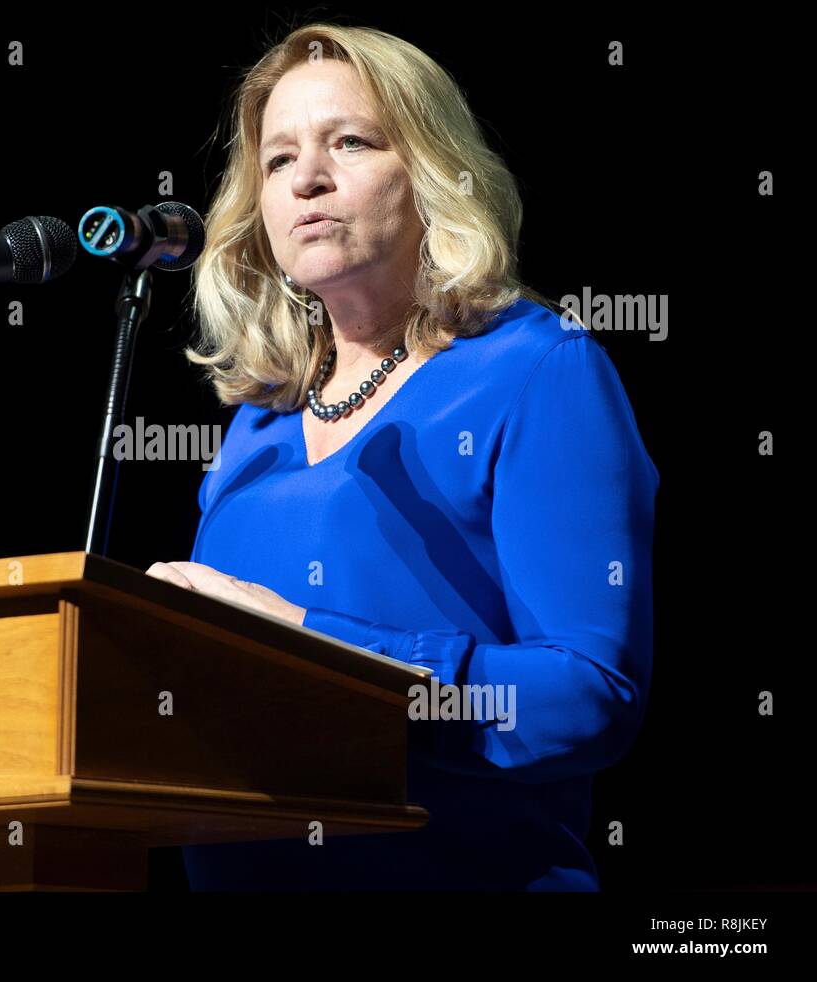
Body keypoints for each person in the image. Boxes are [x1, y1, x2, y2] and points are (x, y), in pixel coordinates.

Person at [146, 22, 659, 890]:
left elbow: (586, 700)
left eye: (349, 142)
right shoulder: (256, 427)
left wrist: (310, 651)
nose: (307, 177)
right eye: (278, 160)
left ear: (433, 173)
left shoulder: (536, 370)